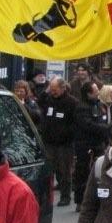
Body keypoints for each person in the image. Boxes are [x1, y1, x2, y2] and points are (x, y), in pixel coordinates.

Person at [72, 81, 112, 212]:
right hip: (85, 146)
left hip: (98, 145)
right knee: (83, 173)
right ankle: (80, 200)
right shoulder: (82, 108)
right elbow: (88, 125)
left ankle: (97, 200)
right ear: (88, 93)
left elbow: (100, 120)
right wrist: (106, 128)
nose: (98, 91)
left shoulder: (97, 105)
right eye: (95, 90)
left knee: (99, 174)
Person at [37, 77, 78, 206]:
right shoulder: (48, 100)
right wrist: (47, 90)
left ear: (63, 88)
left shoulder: (72, 103)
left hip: (64, 144)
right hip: (49, 141)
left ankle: (65, 196)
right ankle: (46, 196)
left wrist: (67, 134)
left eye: (55, 90)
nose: (53, 92)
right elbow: (40, 102)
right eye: (52, 89)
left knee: (64, 170)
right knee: (49, 169)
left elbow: (75, 123)